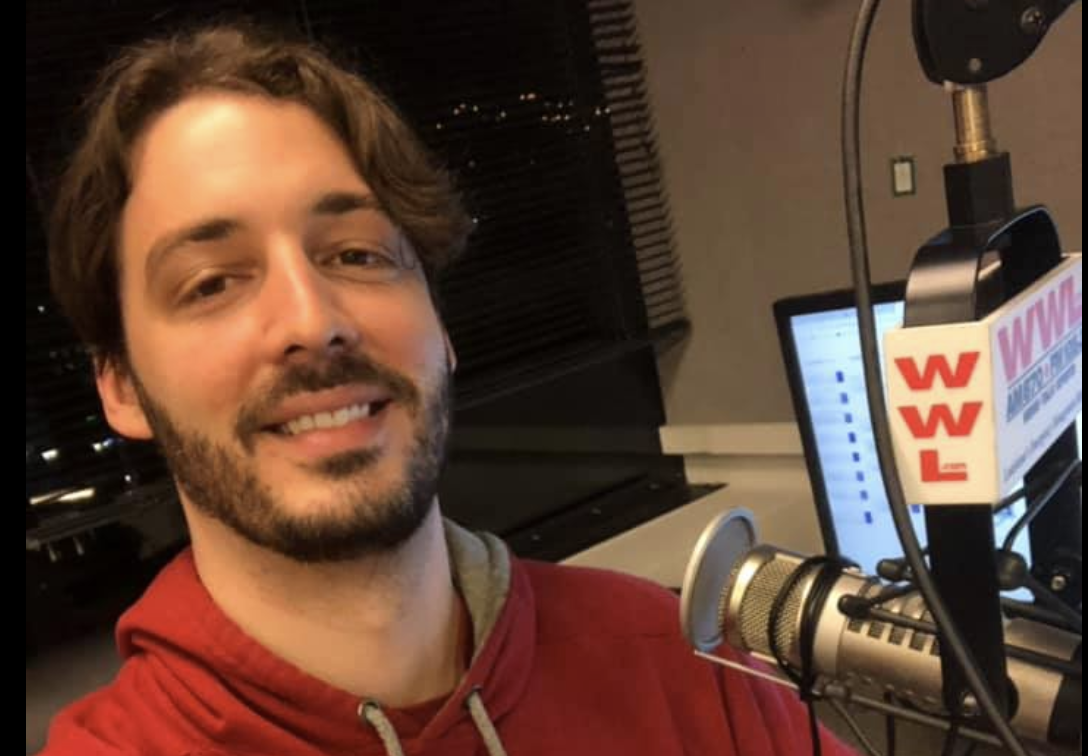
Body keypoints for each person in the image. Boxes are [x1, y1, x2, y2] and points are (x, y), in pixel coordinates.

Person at [39, 23, 857, 756]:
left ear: (441, 325)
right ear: (122, 386)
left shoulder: (683, 664)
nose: (312, 320)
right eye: (212, 283)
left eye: (357, 255)